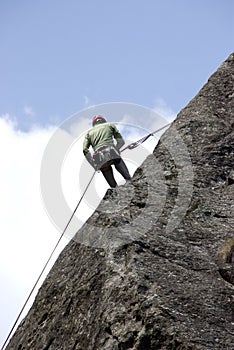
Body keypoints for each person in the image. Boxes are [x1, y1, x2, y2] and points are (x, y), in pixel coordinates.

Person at [83, 115, 131, 188]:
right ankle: (129, 180)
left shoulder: (89, 133)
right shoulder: (109, 125)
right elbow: (121, 141)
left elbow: (85, 149)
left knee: (114, 187)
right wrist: (117, 149)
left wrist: (94, 165)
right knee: (118, 162)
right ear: (103, 120)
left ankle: (114, 190)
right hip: (112, 152)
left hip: (99, 158)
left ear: (94, 124)